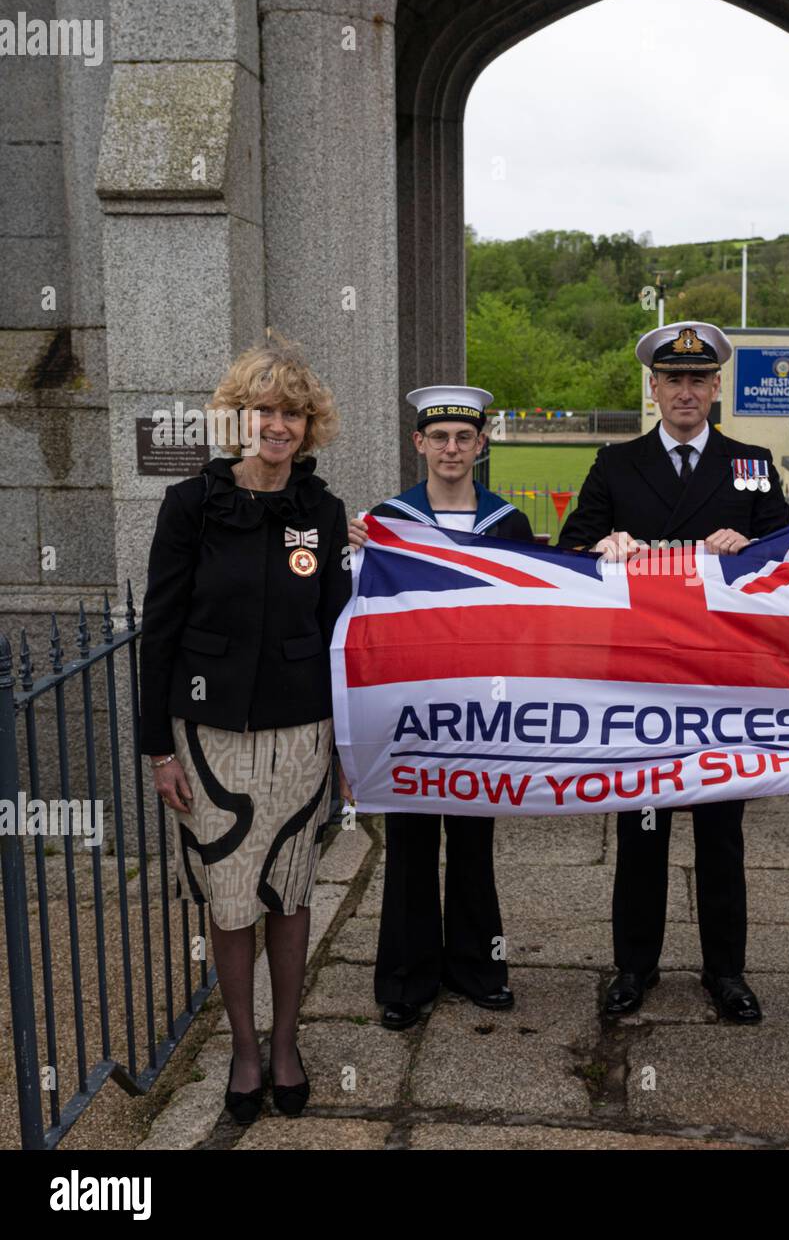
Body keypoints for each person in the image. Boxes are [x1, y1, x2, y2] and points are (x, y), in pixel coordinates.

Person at [140, 332, 350, 1123]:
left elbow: (337, 630)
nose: (279, 426)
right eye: (264, 410)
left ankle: (288, 1043)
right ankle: (244, 1049)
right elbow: (159, 629)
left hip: (302, 734)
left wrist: (347, 749)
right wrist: (156, 747)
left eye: (293, 413)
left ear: (309, 426)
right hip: (208, 736)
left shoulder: (321, 510)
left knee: (290, 892)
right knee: (230, 901)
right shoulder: (191, 505)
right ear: (237, 419)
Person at [557, 321, 789, 1023]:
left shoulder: (750, 462)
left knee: (722, 832)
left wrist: (749, 544)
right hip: (643, 676)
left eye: (698, 380)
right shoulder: (616, 462)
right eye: (673, 380)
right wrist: (605, 542)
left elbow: (788, 556)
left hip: (720, 677)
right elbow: (570, 549)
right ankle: (634, 969)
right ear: (653, 389)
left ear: (716, 388)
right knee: (643, 828)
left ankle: (727, 972)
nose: (685, 392)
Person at [346, 386, 532, 1031]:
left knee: (475, 842)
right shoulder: (385, 523)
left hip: (481, 709)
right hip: (411, 710)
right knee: (410, 844)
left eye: (464, 438)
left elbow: (533, 613)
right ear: (418, 444)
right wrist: (353, 555)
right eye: (439, 438)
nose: (451, 449)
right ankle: (406, 978)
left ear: (481, 446)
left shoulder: (507, 521)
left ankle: (479, 968)